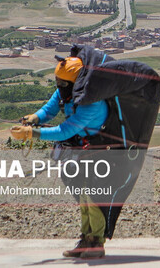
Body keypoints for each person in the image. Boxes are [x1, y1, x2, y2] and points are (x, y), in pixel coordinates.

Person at [10, 56, 109, 259]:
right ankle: (86, 239)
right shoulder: (68, 90)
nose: (59, 87)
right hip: (79, 149)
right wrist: (35, 118)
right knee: (82, 196)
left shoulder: (93, 102)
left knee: (92, 196)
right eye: (58, 83)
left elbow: (64, 130)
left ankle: (96, 242)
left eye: (63, 84)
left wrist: (32, 134)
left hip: (97, 151)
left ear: (76, 82)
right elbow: (50, 109)